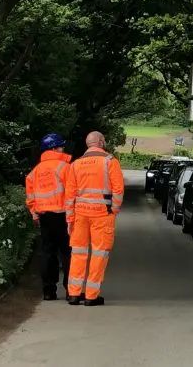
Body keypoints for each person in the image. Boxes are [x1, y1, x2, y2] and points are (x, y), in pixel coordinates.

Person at [63, 131, 124, 306]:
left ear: (88, 144)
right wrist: (114, 210)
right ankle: (91, 296)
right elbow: (118, 189)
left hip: (80, 215)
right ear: (101, 142)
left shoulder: (76, 164)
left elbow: (70, 195)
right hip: (102, 215)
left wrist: (70, 218)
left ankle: (74, 294)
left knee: (78, 253)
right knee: (99, 254)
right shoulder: (110, 162)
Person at [25, 133, 73, 301]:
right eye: (61, 146)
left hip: (44, 217)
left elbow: (30, 197)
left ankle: (48, 291)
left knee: (47, 252)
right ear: (54, 148)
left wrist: (34, 214)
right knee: (68, 253)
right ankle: (71, 290)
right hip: (64, 216)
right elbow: (72, 193)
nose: (63, 149)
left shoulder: (35, 172)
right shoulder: (65, 168)